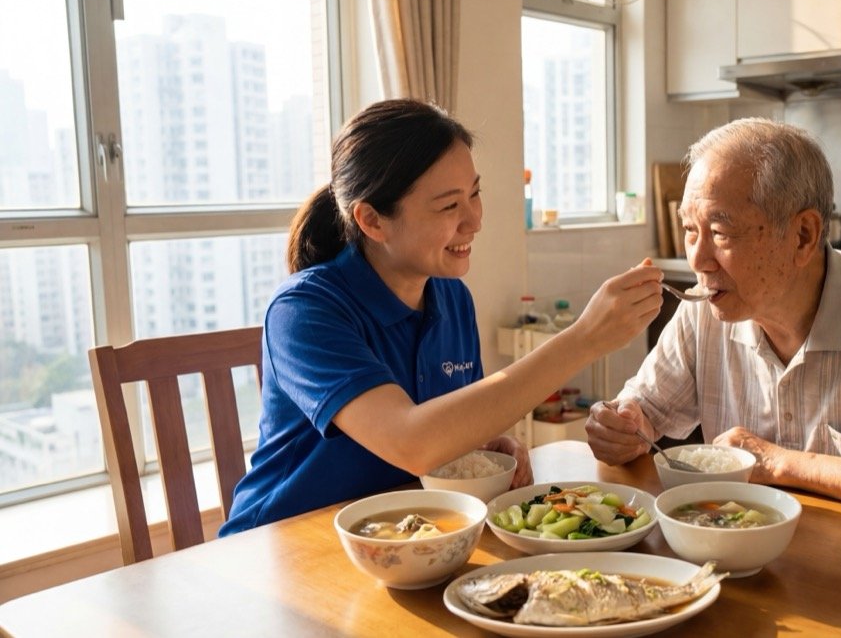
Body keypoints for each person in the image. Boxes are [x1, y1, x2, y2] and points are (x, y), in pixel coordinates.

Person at [220, 99, 662, 535]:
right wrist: (582, 339)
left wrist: (479, 446)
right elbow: (412, 442)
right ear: (372, 220)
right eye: (449, 206)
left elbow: (441, 430)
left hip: (401, 535)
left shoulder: (451, 298)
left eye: (475, 194)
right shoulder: (304, 310)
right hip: (281, 549)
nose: (474, 221)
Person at [585, 118, 841, 523]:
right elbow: (643, 414)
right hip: (734, 559)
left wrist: (780, 463)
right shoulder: (702, 314)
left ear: (802, 236)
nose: (698, 260)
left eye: (721, 233)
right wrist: (622, 428)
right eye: (691, 230)